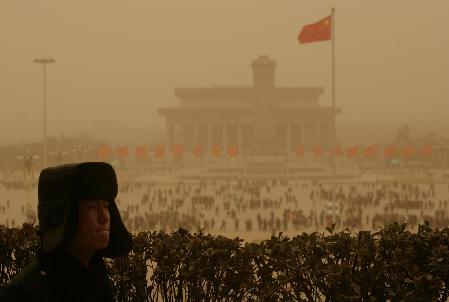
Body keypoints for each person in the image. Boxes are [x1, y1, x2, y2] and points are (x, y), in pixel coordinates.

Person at [0, 162, 133, 302]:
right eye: (92, 207)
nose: (104, 217)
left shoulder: (96, 275)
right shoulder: (26, 294)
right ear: (65, 218)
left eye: (106, 206)